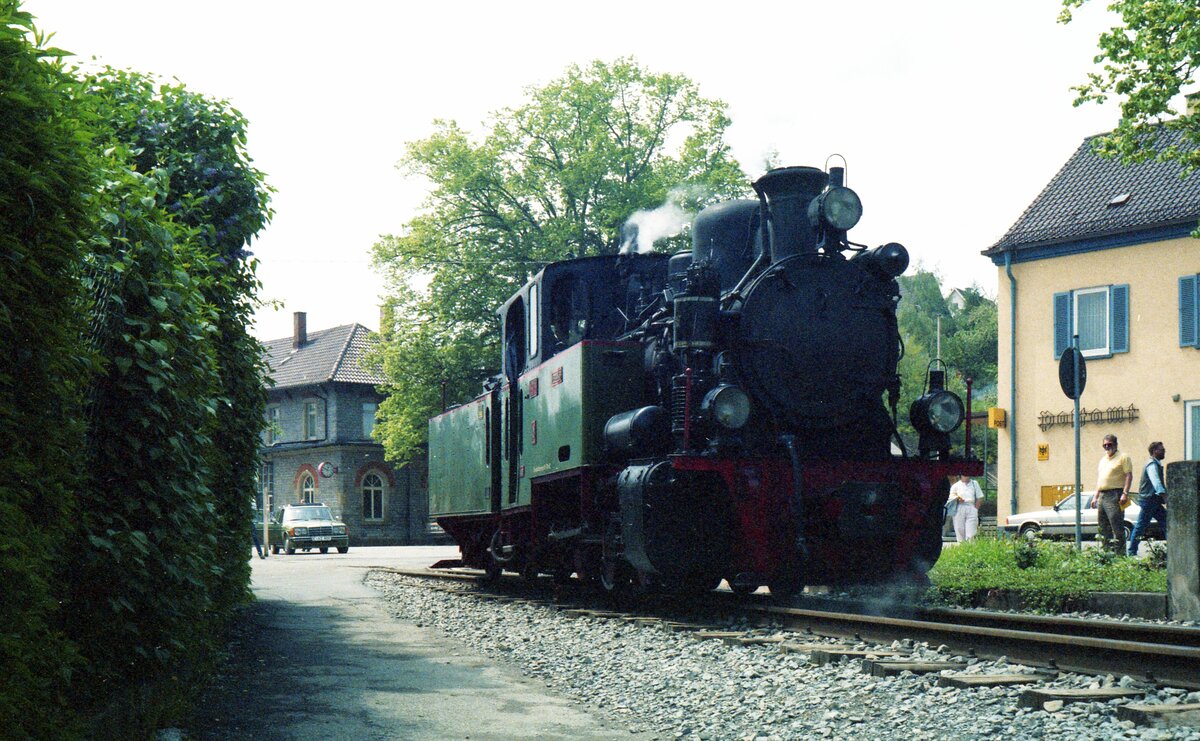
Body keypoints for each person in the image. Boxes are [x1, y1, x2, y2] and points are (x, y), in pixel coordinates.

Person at [1090, 433, 1133, 554]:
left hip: (1115, 495)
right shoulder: (1103, 460)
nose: (1107, 447)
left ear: (1116, 444)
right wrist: (1095, 497)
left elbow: (1128, 475)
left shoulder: (1123, 457)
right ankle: (1106, 554)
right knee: (1103, 527)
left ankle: (1120, 555)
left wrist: (1125, 493)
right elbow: (1100, 480)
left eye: (1109, 444)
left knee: (1117, 526)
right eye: (1105, 445)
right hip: (1102, 496)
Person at [1128, 441, 1167, 556]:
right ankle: (1131, 552)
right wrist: (1164, 495)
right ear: (1154, 451)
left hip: (1151, 500)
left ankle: (1174, 549)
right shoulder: (1152, 465)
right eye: (1161, 449)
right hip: (1149, 501)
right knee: (1141, 526)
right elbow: (1156, 481)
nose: (1164, 451)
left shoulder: (1155, 464)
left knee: (1166, 522)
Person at [947, 474, 985, 542]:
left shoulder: (974, 483)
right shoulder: (956, 485)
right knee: (959, 529)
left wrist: (975, 509)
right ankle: (961, 547)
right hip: (959, 507)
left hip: (971, 506)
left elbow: (980, 497)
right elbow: (950, 497)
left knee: (971, 531)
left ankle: (970, 548)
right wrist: (957, 498)